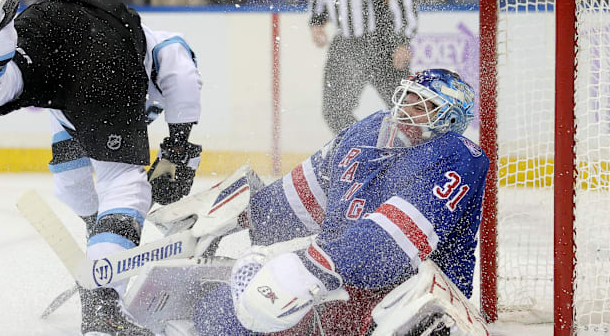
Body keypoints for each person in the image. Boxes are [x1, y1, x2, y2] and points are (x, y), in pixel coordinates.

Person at [0, 0, 203, 335]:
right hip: (106, 38)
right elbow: (183, 75)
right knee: (126, 187)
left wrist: (99, 229)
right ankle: (103, 305)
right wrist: (177, 148)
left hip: (48, 17)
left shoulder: (92, 96)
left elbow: (70, 160)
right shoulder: (166, 45)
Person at [183, 69, 489, 334]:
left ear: (449, 119)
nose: (407, 107)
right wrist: (246, 215)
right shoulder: (369, 130)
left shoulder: (456, 154)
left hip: (400, 295)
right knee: (215, 314)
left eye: (424, 104)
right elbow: (300, 198)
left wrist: (313, 267)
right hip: (334, 283)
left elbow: (388, 247)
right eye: (407, 96)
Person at [308, 0, 418, 135]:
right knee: (334, 111)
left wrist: (402, 41)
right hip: (346, 43)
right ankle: (365, 153)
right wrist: (317, 20)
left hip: (381, 42)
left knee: (407, 111)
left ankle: (421, 160)